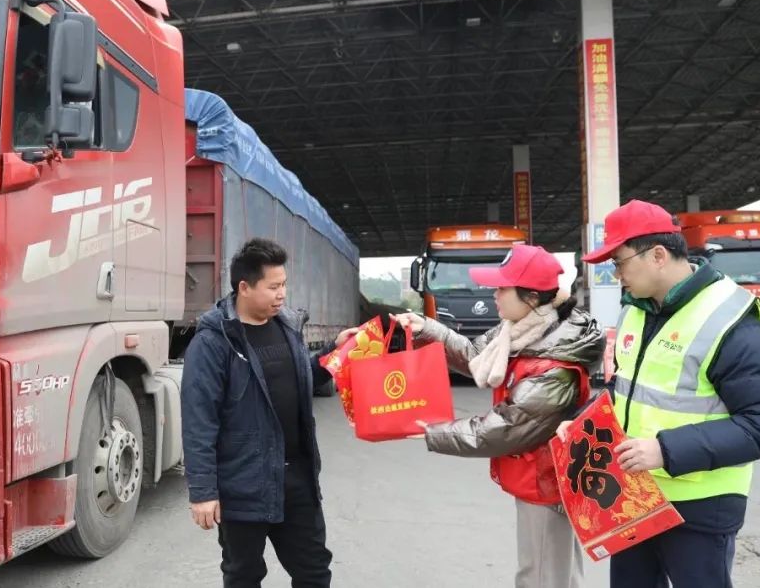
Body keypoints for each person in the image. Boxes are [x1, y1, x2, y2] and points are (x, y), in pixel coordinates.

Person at [558, 199, 760, 588]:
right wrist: (581, 422)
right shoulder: (636, 310)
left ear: (657, 255)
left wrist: (665, 450)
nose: (616, 274)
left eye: (619, 262)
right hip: (635, 496)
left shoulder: (730, 320)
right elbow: (626, 387)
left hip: (700, 506)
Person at [394, 244, 605, 588]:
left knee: (540, 576)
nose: (493, 294)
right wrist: (427, 328)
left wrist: (436, 432)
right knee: (557, 573)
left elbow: (508, 427)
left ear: (532, 297)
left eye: (503, 288)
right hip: (540, 476)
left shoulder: (553, 366)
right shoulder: (521, 331)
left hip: (545, 483)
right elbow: (476, 355)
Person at [182, 238, 358, 588]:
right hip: (243, 486)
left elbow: (300, 381)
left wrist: (334, 353)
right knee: (243, 576)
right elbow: (199, 420)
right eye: (273, 287)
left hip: (297, 481)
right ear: (244, 287)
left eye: (284, 285)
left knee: (314, 573)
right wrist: (203, 492)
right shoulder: (215, 342)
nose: (282, 294)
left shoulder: (287, 327)